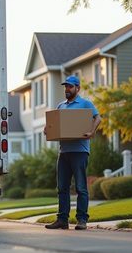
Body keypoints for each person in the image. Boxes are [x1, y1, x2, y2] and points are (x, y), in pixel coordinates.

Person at [43, 75, 101, 230]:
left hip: (80, 151)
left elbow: (98, 118)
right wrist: (48, 129)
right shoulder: (61, 106)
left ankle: (81, 220)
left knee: (81, 187)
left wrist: (92, 132)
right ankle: (62, 219)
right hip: (64, 152)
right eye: (65, 87)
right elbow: (55, 125)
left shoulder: (85, 103)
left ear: (78, 88)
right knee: (62, 188)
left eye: (70, 86)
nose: (67, 89)